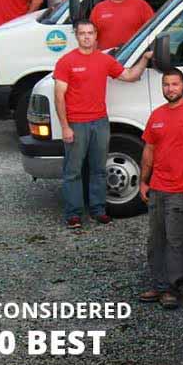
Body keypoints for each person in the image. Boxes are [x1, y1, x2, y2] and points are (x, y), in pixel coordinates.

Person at [53, 20, 152, 228]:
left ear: (96, 36)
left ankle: (98, 210)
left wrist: (144, 59)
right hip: (76, 123)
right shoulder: (66, 62)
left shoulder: (104, 60)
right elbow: (59, 97)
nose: (87, 37)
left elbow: (129, 75)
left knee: (99, 169)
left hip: (100, 122)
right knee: (73, 171)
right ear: (77, 36)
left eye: (90, 33)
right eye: (82, 33)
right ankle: (74, 214)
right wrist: (65, 126)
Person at [139, 67, 183, 309]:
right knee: (155, 240)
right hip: (158, 188)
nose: (170, 89)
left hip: (182, 190)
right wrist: (143, 180)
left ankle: (172, 287)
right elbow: (149, 150)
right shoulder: (156, 115)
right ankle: (159, 284)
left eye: (174, 84)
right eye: (166, 84)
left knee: (177, 240)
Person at [89, 0, 154, 50]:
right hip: (106, 59)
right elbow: (91, 37)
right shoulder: (98, 9)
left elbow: (152, 32)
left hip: (132, 58)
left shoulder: (141, 5)